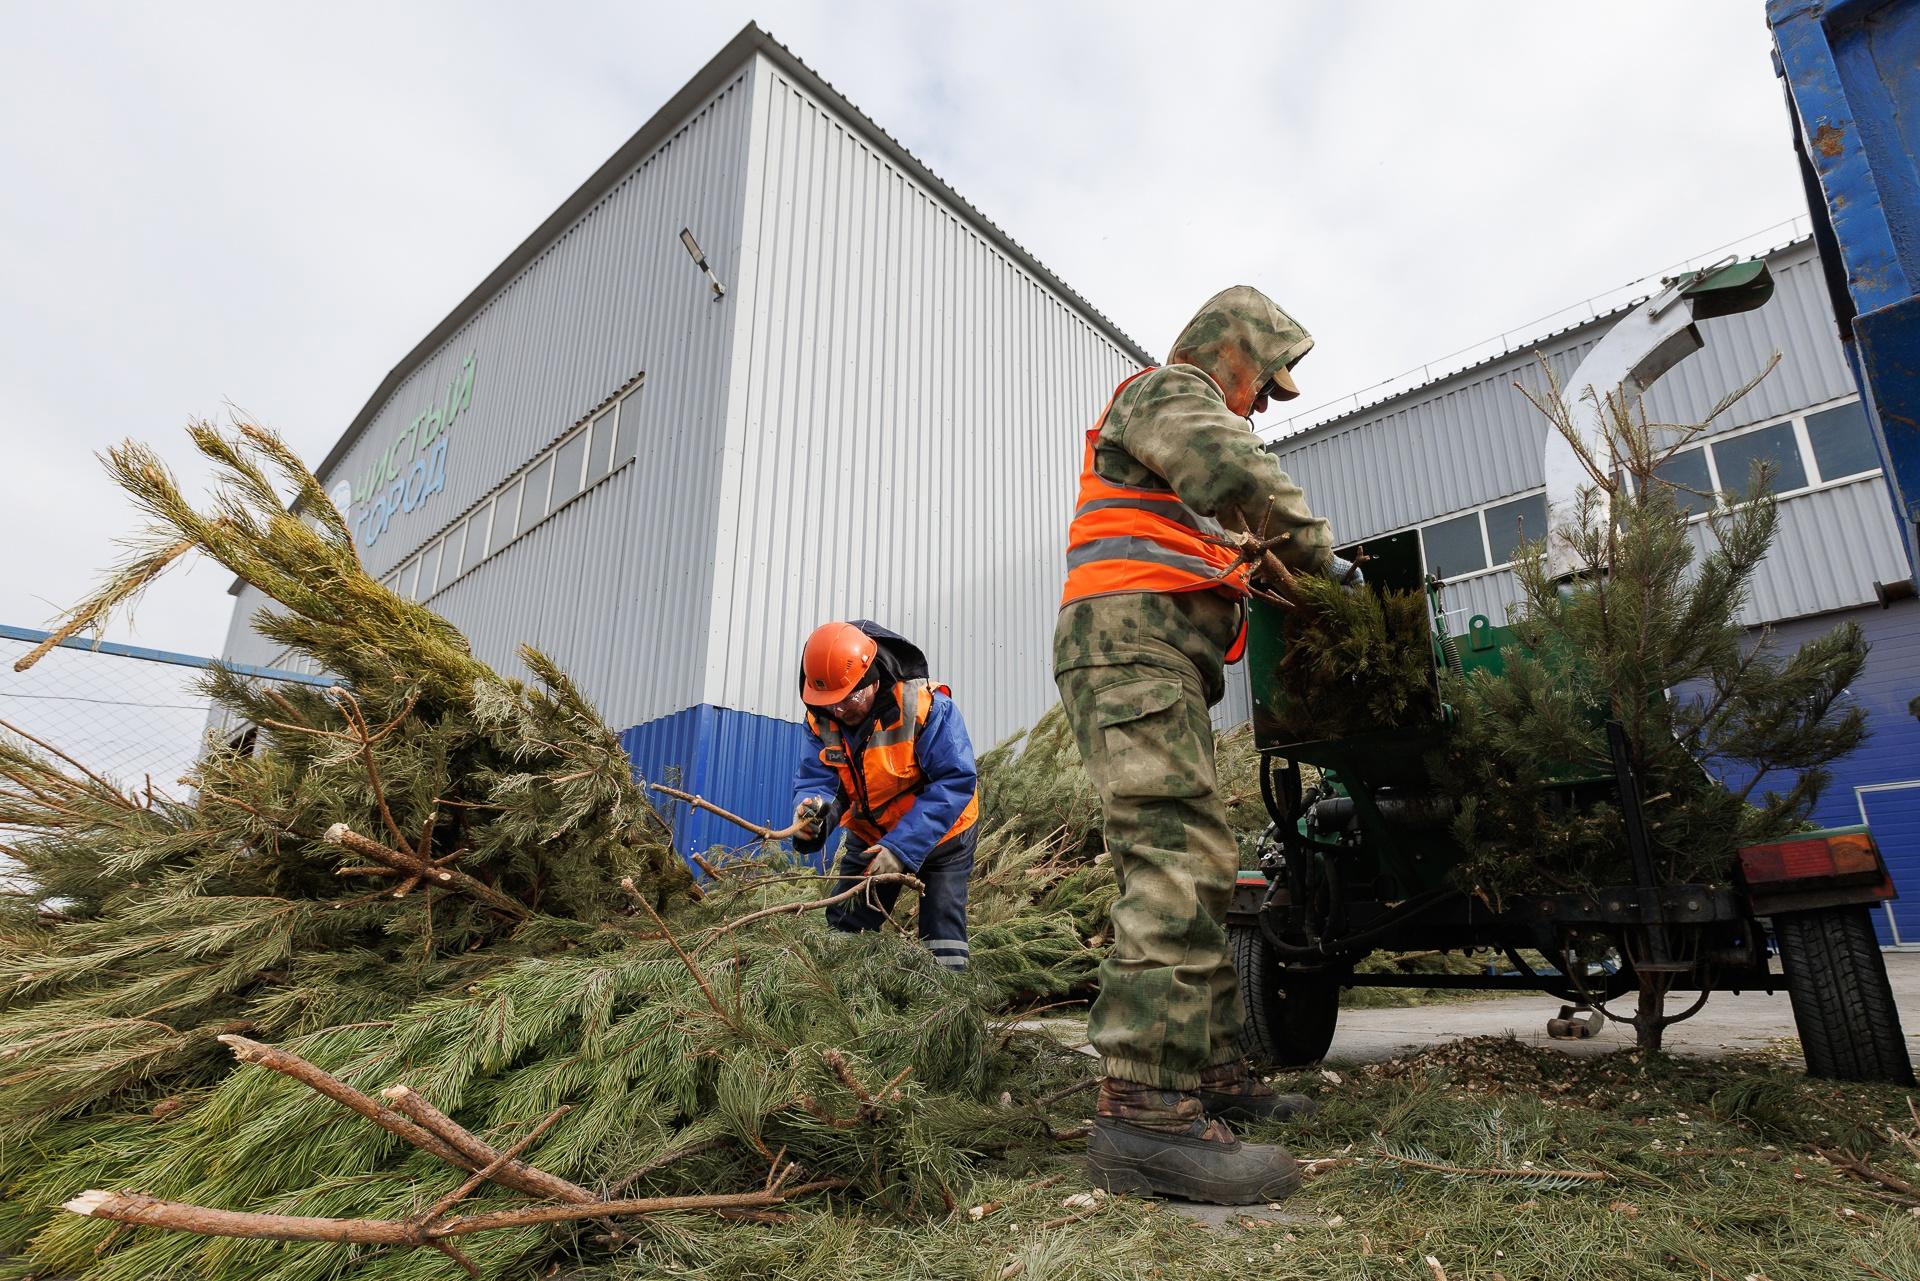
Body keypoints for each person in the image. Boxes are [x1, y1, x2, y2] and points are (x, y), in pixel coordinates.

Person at [1056, 286, 1358, 1205]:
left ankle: (1211, 1072)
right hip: (1130, 652)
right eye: (1264, 383)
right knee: (1173, 853)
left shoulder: (1164, 436)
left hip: (1152, 656)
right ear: (1232, 353)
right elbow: (1240, 473)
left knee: (1207, 858)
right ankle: (1143, 1114)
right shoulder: (1167, 394)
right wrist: (1327, 561)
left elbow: (1214, 530)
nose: (1261, 406)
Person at [790, 620, 980, 971]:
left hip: (944, 833)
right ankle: (840, 1002)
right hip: (871, 834)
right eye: (830, 703)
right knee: (844, 927)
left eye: (847, 700)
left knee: (942, 938)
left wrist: (902, 847)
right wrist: (812, 816)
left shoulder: (927, 707)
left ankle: (946, 1011)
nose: (839, 712)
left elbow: (954, 782)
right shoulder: (822, 718)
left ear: (872, 681)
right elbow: (820, 780)